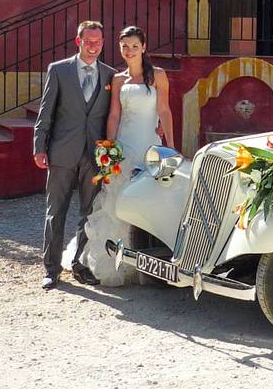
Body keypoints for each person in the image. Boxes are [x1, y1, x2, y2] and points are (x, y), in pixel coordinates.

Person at [75, 25, 175, 286]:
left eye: (133, 45)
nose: (129, 51)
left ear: (144, 47)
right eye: (124, 46)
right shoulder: (118, 80)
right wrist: (110, 148)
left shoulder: (159, 76)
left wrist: (170, 147)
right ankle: (116, 263)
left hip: (150, 147)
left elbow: (164, 111)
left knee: (151, 201)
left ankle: (151, 261)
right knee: (118, 203)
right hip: (125, 146)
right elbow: (114, 115)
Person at [33, 20, 117, 290]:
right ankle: (51, 268)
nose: (94, 47)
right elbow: (46, 111)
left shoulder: (110, 75)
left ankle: (79, 263)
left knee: (89, 213)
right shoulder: (59, 71)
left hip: (94, 155)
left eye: (98, 42)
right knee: (55, 211)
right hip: (62, 151)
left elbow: (115, 116)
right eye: (89, 42)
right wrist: (39, 146)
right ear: (78, 41)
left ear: (103, 43)